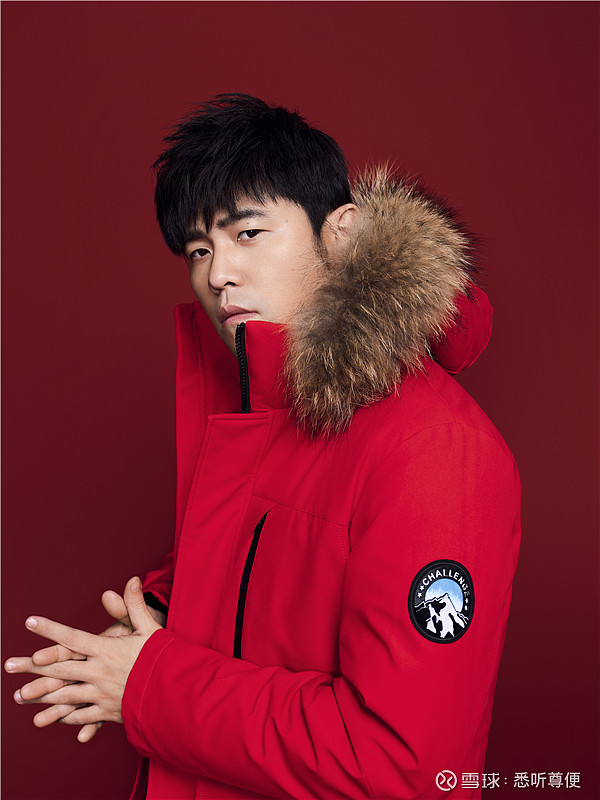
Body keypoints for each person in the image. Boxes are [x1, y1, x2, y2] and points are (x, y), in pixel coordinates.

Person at [6, 94, 521, 800]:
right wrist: (162, 614)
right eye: (199, 250)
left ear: (341, 234)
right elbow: (276, 584)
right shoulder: (264, 415)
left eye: (247, 233)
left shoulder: (436, 453)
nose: (217, 274)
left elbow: (404, 763)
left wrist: (149, 683)